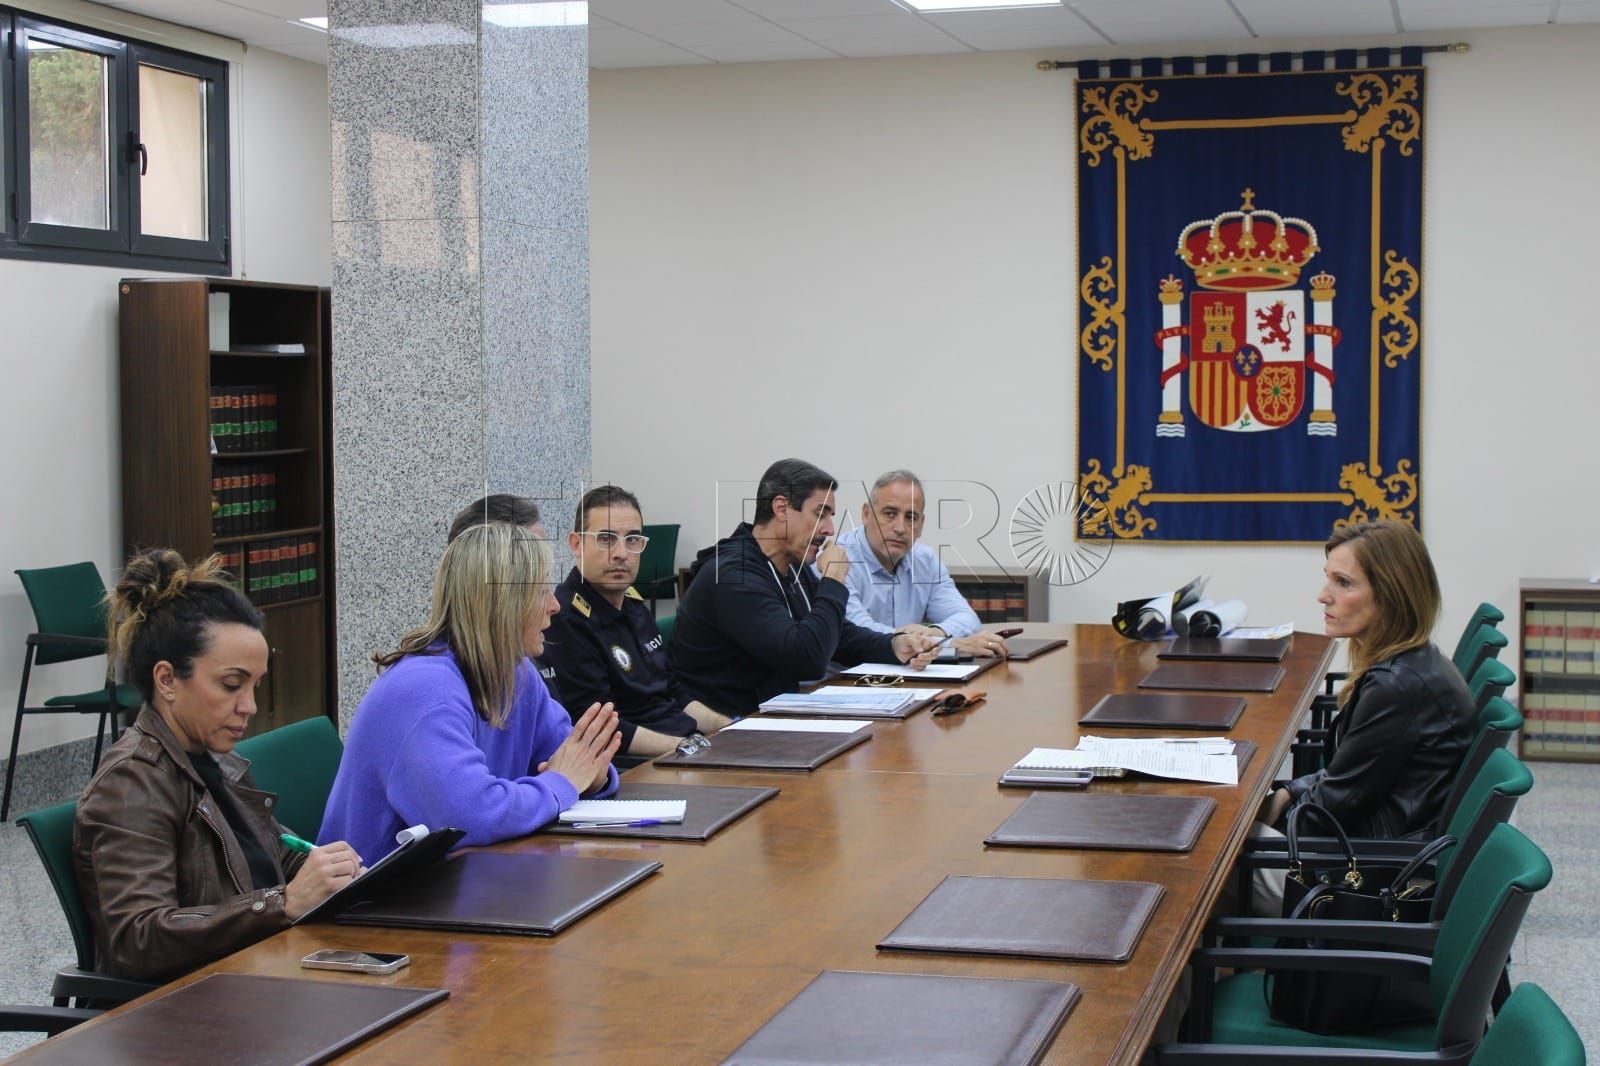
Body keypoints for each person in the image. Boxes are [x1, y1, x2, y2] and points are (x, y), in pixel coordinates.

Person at [74, 549, 363, 981]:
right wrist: (281, 903)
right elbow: (139, 939)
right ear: (167, 680)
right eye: (231, 685)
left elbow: (273, 860)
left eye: (254, 685)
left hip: (253, 977)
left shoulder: (216, 760)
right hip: (182, 1014)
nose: (249, 706)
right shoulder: (131, 782)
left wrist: (329, 874)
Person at [319, 522, 620, 863]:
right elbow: (472, 819)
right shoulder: (423, 691)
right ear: (503, 603)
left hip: (468, 880)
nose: (555, 605)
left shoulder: (516, 670)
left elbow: (571, 759)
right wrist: (563, 782)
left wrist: (591, 777)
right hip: (379, 902)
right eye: (541, 591)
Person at [670, 458, 938, 716]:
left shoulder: (791, 566)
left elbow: (839, 636)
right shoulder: (732, 575)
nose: (830, 529)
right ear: (781, 508)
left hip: (772, 721)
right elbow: (806, 660)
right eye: (820, 514)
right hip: (725, 733)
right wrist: (833, 580)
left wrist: (893, 644)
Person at [1262, 520, 1473, 840]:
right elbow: (1349, 778)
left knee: (1210, 852)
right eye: (1328, 579)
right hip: (1373, 840)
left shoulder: (1396, 687)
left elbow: (1330, 812)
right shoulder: (1414, 661)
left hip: (1360, 867)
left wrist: (1259, 830)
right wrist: (1289, 792)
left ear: (1392, 594)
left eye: (1343, 582)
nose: (1323, 596)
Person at [540, 486, 733, 756]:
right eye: (606, 539)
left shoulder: (633, 604)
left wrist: (730, 729)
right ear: (576, 544)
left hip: (682, 745)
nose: (621, 553)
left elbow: (673, 693)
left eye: (632, 539)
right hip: (641, 763)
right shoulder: (566, 619)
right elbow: (599, 728)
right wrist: (687, 748)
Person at [833, 469, 1008, 659]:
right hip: (845, 680)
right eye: (890, 514)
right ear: (866, 514)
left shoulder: (925, 560)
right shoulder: (838, 559)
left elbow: (968, 618)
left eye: (911, 518)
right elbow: (860, 633)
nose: (900, 528)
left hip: (909, 677)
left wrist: (937, 632)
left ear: (921, 524)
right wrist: (951, 645)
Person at [446, 493, 562, 701]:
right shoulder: (436, 686)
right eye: (535, 586)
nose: (555, 606)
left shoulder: (518, 667)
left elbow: (561, 732)